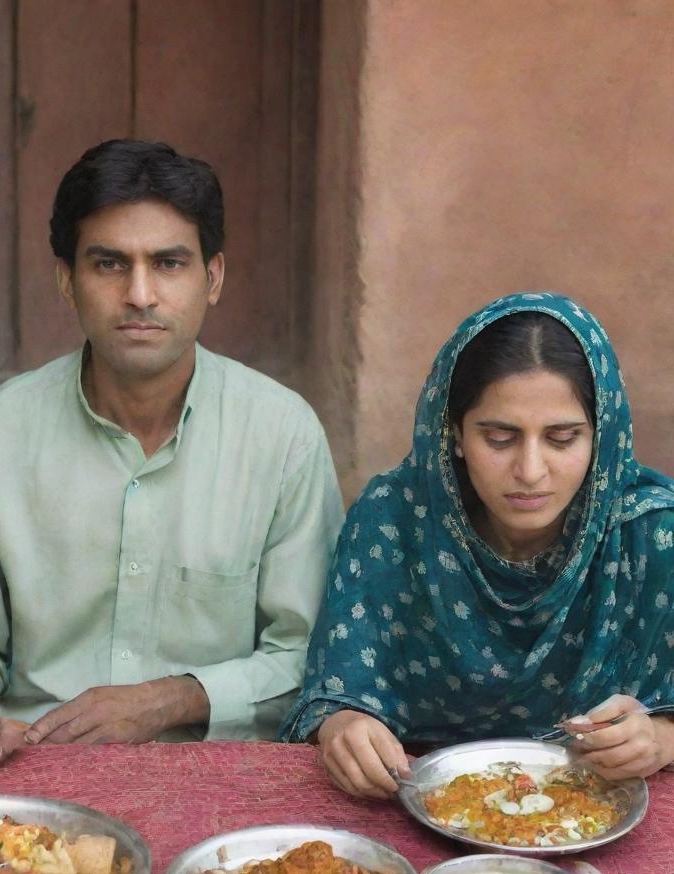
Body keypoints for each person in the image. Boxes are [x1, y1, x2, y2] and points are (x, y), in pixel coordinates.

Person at [0, 139, 343, 765]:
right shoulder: (0, 432)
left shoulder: (283, 435)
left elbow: (308, 655)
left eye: (168, 264)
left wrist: (172, 700)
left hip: (221, 773)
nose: (139, 294)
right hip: (30, 761)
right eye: (108, 264)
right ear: (66, 280)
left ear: (212, 278)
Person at [280, 292, 674, 798]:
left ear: (602, 438)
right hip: (410, 800)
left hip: (601, 809)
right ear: (456, 434)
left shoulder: (651, 537)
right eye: (500, 437)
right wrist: (341, 727)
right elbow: (335, 693)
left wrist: (661, 738)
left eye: (562, 438)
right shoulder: (394, 524)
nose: (531, 471)